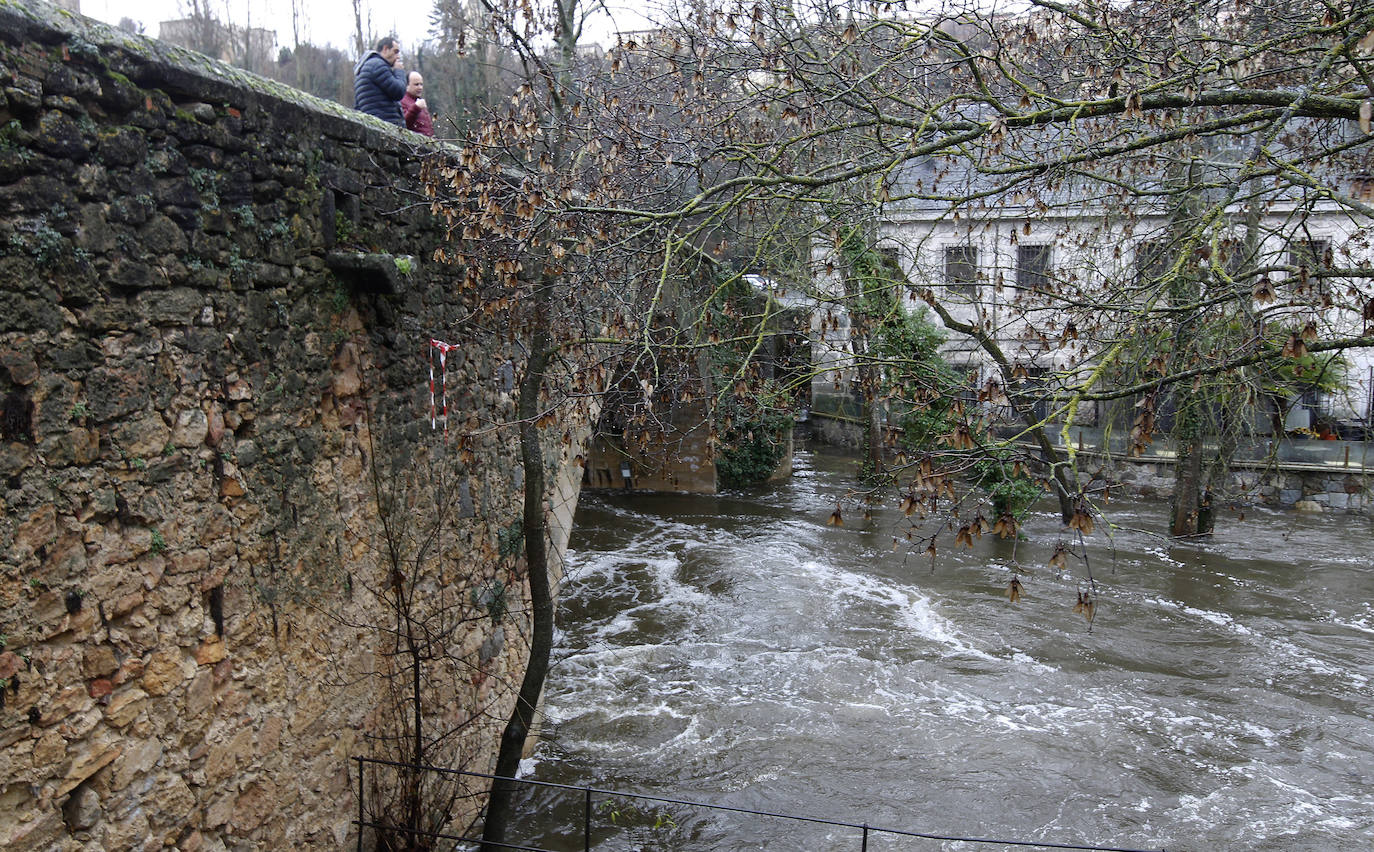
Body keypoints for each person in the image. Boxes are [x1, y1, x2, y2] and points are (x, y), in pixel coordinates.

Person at [353, 37, 405, 126]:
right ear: (385, 49)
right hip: (385, 123)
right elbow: (398, 91)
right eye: (395, 52)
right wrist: (399, 71)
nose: (398, 56)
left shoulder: (366, 67)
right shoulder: (378, 65)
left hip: (373, 123)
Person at [401, 71, 434, 137]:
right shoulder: (402, 101)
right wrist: (416, 108)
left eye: (421, 84)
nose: (420, 87)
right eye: (416, 84)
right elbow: (403, 124)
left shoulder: (418, 101)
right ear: (407, 85)